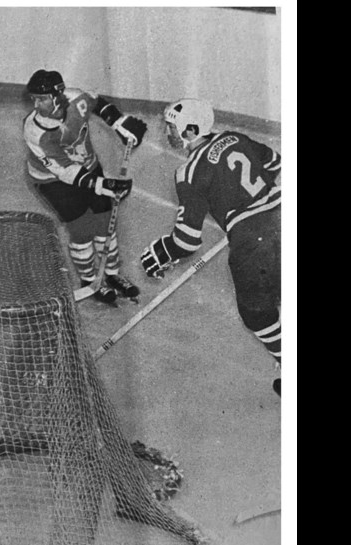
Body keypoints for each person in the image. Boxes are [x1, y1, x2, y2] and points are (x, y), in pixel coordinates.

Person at [140, 99, 282, 395]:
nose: (167, 133)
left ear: (191, 129)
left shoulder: (189, 173)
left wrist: (163, 251)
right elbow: (275, 163)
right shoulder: (235, 137)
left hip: (253, 244)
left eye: (171, 127)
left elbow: (186, 240)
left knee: (257, 312)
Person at [22, 69, 147, 305]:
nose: (37, 104)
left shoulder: (75, 98)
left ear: (58, 94)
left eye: (42, 98)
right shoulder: (35, 130)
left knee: (105, 219)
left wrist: (119, 123)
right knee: (81, 228)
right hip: (52, 181)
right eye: (34, 99)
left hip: (88, 166)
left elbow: (97, 103)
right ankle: (90, 280)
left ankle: (111, 275)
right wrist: (102, 184)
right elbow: (64, 170)